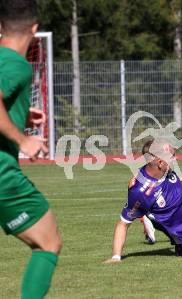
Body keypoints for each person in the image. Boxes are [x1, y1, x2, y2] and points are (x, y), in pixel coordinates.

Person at [0, 1, 62, 298]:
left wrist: (19, 114)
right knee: (48, 243)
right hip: (2, 174)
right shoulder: (16, 63)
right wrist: (23, 140)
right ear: (35, 29)